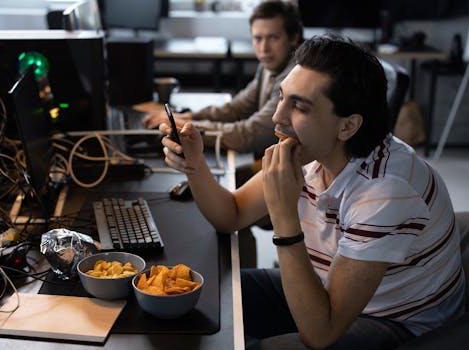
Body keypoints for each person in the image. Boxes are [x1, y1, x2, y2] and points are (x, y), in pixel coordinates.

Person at [159, 34, 466, 349]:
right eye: (282, 97)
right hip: (327, 285)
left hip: (396, 321)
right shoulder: (315, 151)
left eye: (299, 107)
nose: (279, 117)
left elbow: (321, 333)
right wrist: (195, 166)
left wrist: (284, 215)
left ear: (347, 126)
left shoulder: (384, 192)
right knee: (200, 294)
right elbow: (231, 215)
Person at [143, 0, 303, 155]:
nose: (264, 48)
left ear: (293, 38)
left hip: (284, 169)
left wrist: (186, 126)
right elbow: (237, 108)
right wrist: (186, 117)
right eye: (258, 38)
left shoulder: (295, 78)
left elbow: (248, 135)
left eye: (273, 38)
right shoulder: (269, 65)